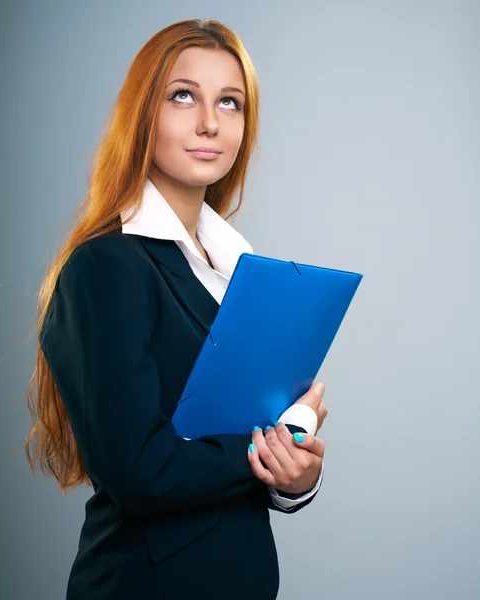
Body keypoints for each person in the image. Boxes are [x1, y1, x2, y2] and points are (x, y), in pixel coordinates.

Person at [24, 18, 328, 600]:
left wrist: (296, 476)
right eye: (183, 96)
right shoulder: (106, 267)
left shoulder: (234, 273)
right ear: (144, 113)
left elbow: (226, 454)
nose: (210, 122)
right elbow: (142, 471)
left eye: (231, 103)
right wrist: (271, 439)